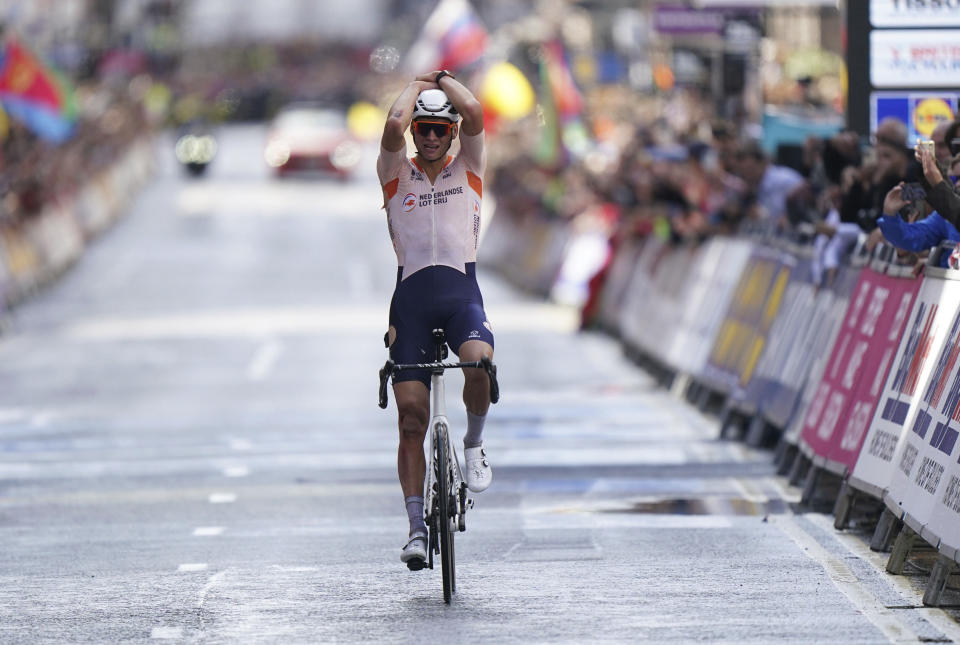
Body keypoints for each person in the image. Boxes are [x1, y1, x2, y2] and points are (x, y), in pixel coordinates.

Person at [377, 71, 495, 569]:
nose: (428, 135)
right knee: (410, 421)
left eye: (437, 129)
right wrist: (414, 84)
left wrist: (444, 81)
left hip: (460, 294)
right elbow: (392, 123)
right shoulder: (394, 171)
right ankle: (416, 529)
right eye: (422, 128)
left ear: (450, 134)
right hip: (411, 304)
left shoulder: (468, 166)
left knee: (480, 365)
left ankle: (473, 443)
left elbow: (474, 114)